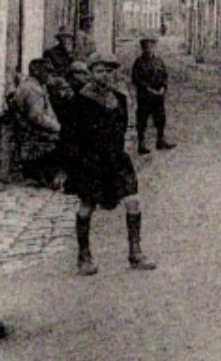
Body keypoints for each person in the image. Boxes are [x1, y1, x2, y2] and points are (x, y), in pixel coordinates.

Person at [64, 59, 155, 275]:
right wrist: (73, 166)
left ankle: (135, 252)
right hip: (90, 161)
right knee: (87, 205)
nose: (104, 75)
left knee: (133, 200)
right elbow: (70, 136)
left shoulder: (119, 99)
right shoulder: (80, 100)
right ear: (91, 73)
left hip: (116, 159)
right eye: (99, 71)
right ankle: (84, 256)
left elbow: (125, 128)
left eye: (108, 71)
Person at [7, 58, 61, 187]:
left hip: (28, 129)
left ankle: (43, 175)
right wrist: (56, 127)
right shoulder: (33, 90)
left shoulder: (32, 86)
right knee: (63, 140)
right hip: (31, 132)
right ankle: (46, 177)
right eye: (47, 72)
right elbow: (36, 117)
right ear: (37, 72)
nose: (49, 76)